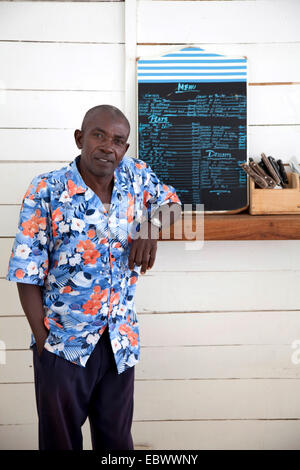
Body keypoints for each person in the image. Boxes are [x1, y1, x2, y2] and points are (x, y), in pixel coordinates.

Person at [6, 104, 182, 451]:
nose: (107, 146)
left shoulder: (137, 177)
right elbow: (26, 271)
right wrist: (45, 345)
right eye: (98, 135)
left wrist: (151, 225)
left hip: (119, 341)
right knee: (61, 443)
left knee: (116, 443)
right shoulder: (47, 189)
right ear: (79, 138)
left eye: (117, 140)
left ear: (125, 149)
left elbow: (173, 203)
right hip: (63, 343)